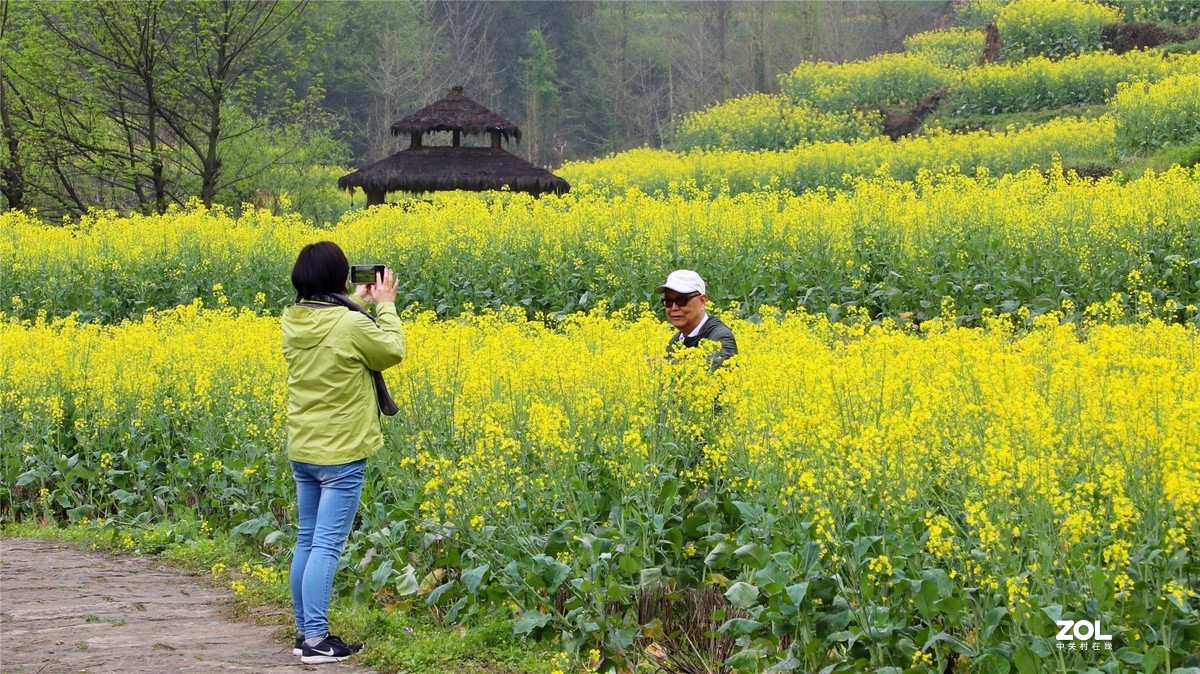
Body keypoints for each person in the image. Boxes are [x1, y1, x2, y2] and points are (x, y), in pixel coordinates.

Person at [282, 241, 406, 664]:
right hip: (340, 452)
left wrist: (356, 301)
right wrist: (385, 305)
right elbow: (390, 351)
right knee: (327, 545)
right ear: (338, 278)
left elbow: (331, 324)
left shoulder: (293, 318)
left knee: (306, 537)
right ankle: (316, 641)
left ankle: (304, 631)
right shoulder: (350, 326)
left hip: (303, 448)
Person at [654, 269, 738, 370]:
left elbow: (710, 374)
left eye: (681, 300)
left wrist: (663, 366)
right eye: (668, 301)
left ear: (702, 302)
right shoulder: (677, 339)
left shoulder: (721, 337)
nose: (674, 308)